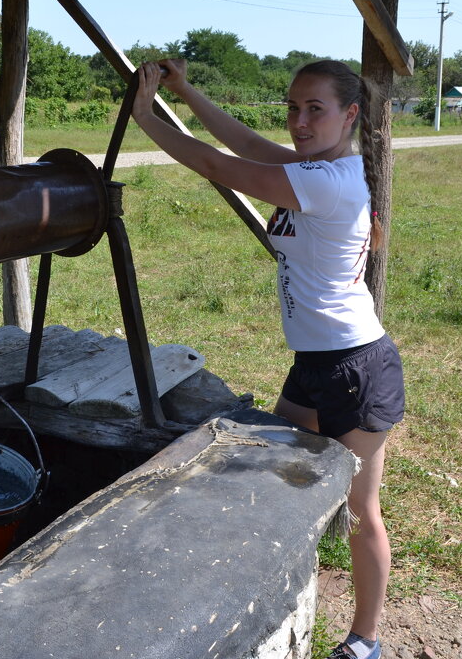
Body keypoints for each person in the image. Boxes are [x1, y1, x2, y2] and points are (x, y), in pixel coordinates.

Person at [131, 58, 406, 659]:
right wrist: (185, 91)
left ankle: (365, 641)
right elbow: (248, 143)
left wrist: (147, 118)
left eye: (316, 110)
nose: (300, 122)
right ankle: (286, 602)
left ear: (350, 115)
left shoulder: (331, 181)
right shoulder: (319, 166)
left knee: (360, 510)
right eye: (293, 108)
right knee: (284, 486)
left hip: (357, 366)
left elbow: (214, 164)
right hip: (315, 363)